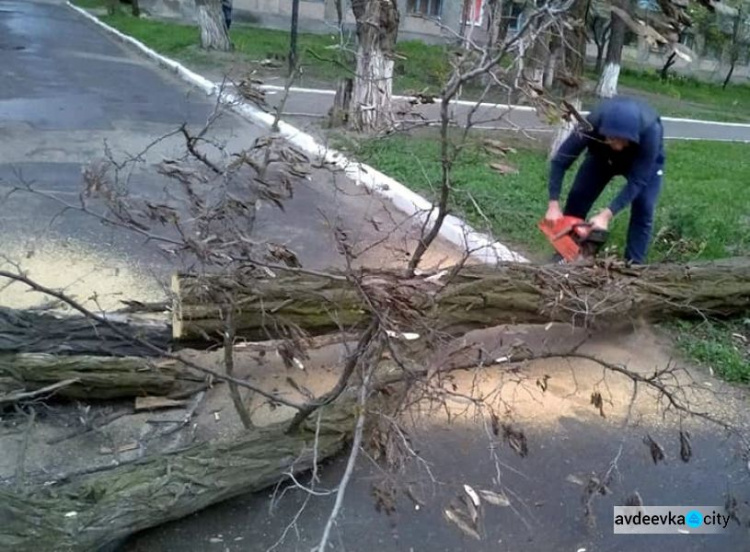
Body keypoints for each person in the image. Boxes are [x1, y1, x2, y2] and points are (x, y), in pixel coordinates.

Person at [544, 95, 666, 264]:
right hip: (601, 157)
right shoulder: (590, 124)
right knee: (578, 196)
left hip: (642, 163)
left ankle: (633, 266)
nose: (617, 145)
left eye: (623, 140)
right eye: (612, 138)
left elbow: (638, 181)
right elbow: (560, 160)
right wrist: (553, 204)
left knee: (644, 207)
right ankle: (565, 253)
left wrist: (605, 216)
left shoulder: (651, 131)